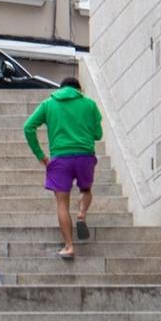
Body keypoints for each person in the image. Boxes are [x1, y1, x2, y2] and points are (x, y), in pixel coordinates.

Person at [22, 76, 104, 262]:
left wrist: (41, 156)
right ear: (79, 89)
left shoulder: (48, 104)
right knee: (86, 189)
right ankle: (82, 215)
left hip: (60, 158)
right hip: (84, 156)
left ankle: (69, 246)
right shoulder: (89, 104)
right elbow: (98, 134)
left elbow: (28, 127)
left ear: (60, 88)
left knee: (62, 202)